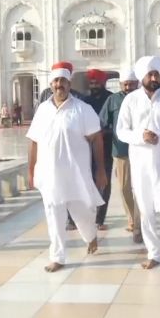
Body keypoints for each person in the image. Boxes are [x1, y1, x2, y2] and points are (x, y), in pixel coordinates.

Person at [27, 62, 107, 273]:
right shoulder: (43, 110)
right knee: (54, 215)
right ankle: (58, 256)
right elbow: (34, 141)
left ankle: (90, 236)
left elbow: (97, 139)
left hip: (75, 174)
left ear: (69, 83)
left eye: (63, 81)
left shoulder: (83, 109)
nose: (59, 85)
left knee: (82, 214)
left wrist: (100, 170)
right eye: (55, 81)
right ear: (51, 84)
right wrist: (31, 170)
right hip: (49, 175)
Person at [116, 56, 160, 269]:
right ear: (142, 76)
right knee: (146, 210)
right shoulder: (131, 100)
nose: (154, 77)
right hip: (140, 164)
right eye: (150, 74)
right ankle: (153, 253)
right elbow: (121, 131)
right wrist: (141, 137)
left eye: (157, 73)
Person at [99, 68, 142, 242]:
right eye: (125, 84)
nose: (128, 87)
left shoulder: (144, 99)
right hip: (121, 150)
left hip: (142, 149)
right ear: (120, 84)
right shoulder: (113, 100)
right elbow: (102, 122)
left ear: (137, 84)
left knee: (141, 188)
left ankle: (140, 222)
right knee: (124, 188)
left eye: (131, 84)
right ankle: (133, 220)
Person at [81, 69, 113, 230]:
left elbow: (114, 123)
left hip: (106, 145)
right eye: (91, 83)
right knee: (88, 181)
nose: (94, 85)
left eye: (96, 83)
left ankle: (100, 219)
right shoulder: (85, 100)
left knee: (104, 181)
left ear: (102, 83)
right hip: (87, 146)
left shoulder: (110, 98)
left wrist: (101, 132)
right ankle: (88, 215)